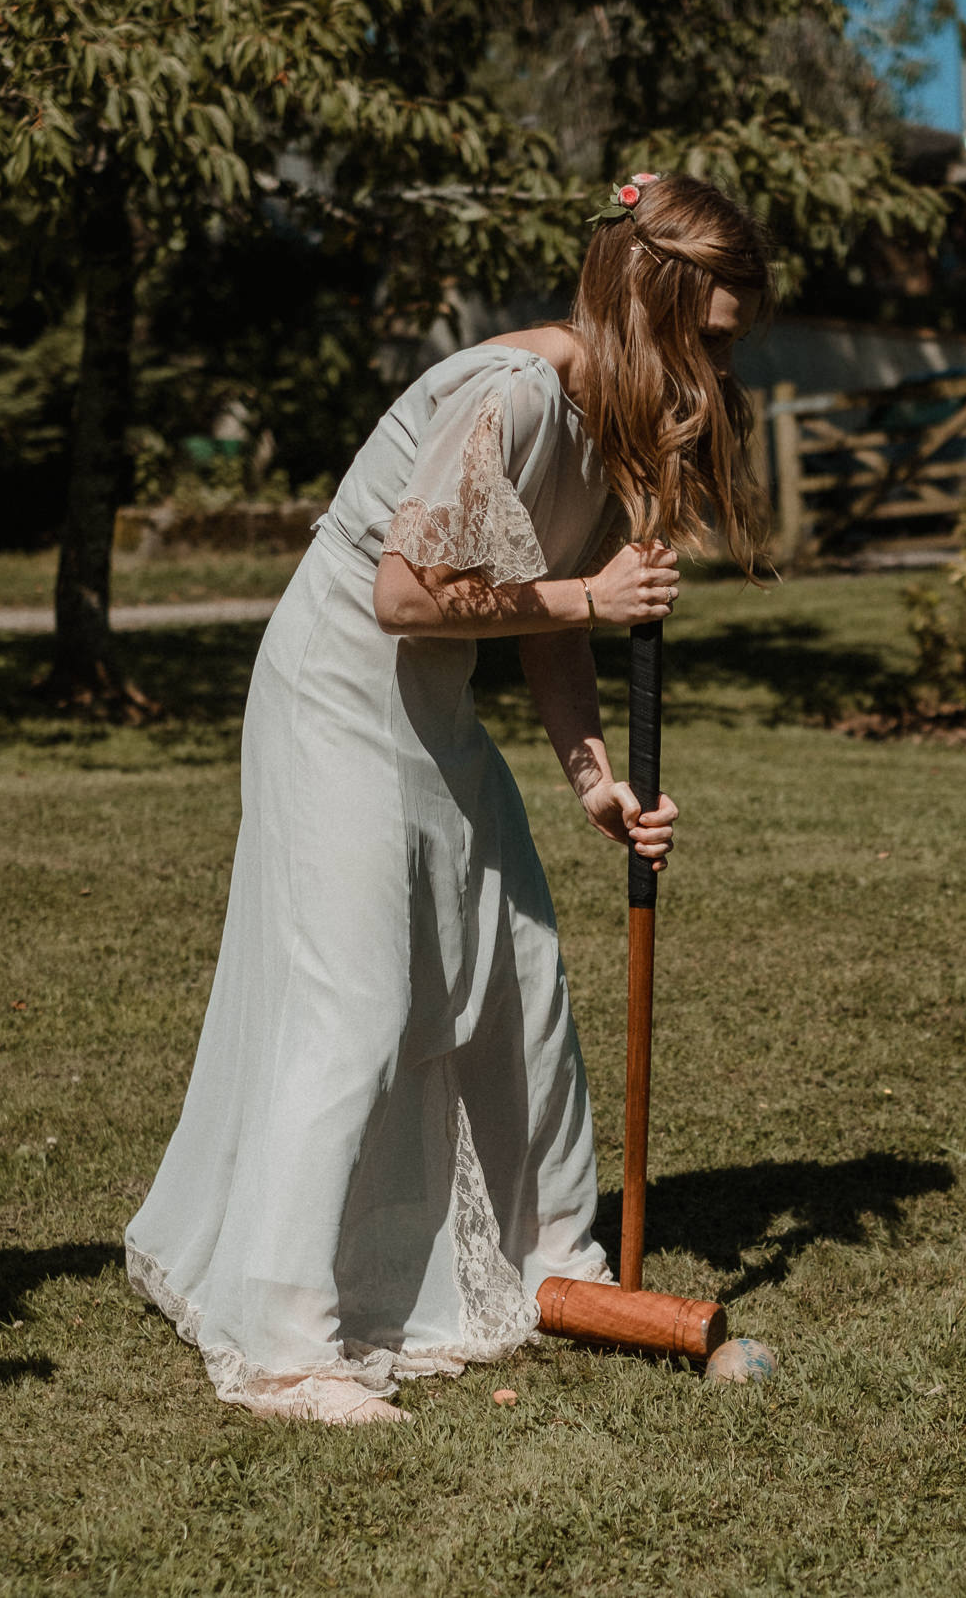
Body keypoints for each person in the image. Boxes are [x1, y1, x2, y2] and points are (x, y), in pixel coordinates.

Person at [126, 173, 768, 1423]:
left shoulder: (608, 422)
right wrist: (594, 596)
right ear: (656, 312)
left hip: (430, 702)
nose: (727, 368)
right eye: (718, 337)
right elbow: (408, 593)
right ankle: (283, 1341)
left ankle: (555, 1265)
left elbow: (542, 620)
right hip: (338, 689)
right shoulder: (516, 394)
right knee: (358, 996)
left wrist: (597, 779)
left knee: (516, 974)